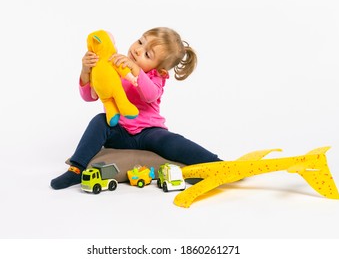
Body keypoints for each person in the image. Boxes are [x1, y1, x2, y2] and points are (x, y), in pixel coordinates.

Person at [51, 27, 221, 190]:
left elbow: (150, 94)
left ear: (160, 70)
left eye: (147, 54)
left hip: (149, 133)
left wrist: (136, 70)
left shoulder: (156, 77)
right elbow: (90, 96)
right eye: (140, 42)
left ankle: (217, 164)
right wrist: (86, 71)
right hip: (119, 132)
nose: (138, 50)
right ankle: (76, 169)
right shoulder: (115, 66)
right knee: (99, 121)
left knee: (171, 141)